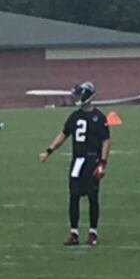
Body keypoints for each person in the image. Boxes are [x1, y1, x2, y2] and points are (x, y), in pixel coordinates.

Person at [38, 82, 110, 246]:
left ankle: (93, 232)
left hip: (92, 160)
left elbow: (106, 141)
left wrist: (103, 163)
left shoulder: (99, 117)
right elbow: (63, 135)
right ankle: (74, 232)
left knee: (93, 197)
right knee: (74, 196)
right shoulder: (75, 116)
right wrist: (48, 151)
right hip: (78, 160)